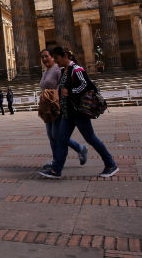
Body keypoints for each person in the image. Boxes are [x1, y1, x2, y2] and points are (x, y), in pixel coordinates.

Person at [39, 46, 118, 179]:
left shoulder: (77, 69)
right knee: (61, 139)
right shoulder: (65, 70)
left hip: (78, 112)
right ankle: (56, 170)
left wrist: (70, 92)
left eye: (57, 58)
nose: (56, 62)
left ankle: (111, 164)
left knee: (91, 138)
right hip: (67, 113)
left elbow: (86, 86)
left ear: (64, 56)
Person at [38, 48, 87, 170]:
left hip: (56, 106)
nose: (45, 59)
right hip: (47, 107)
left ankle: (79, 149)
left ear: (52, 57)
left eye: (47, 56)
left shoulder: (57, 70)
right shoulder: (46, 71)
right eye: (42, 57)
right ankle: (56, 160)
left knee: (57, 134)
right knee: (51, 135)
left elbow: (64, 84)